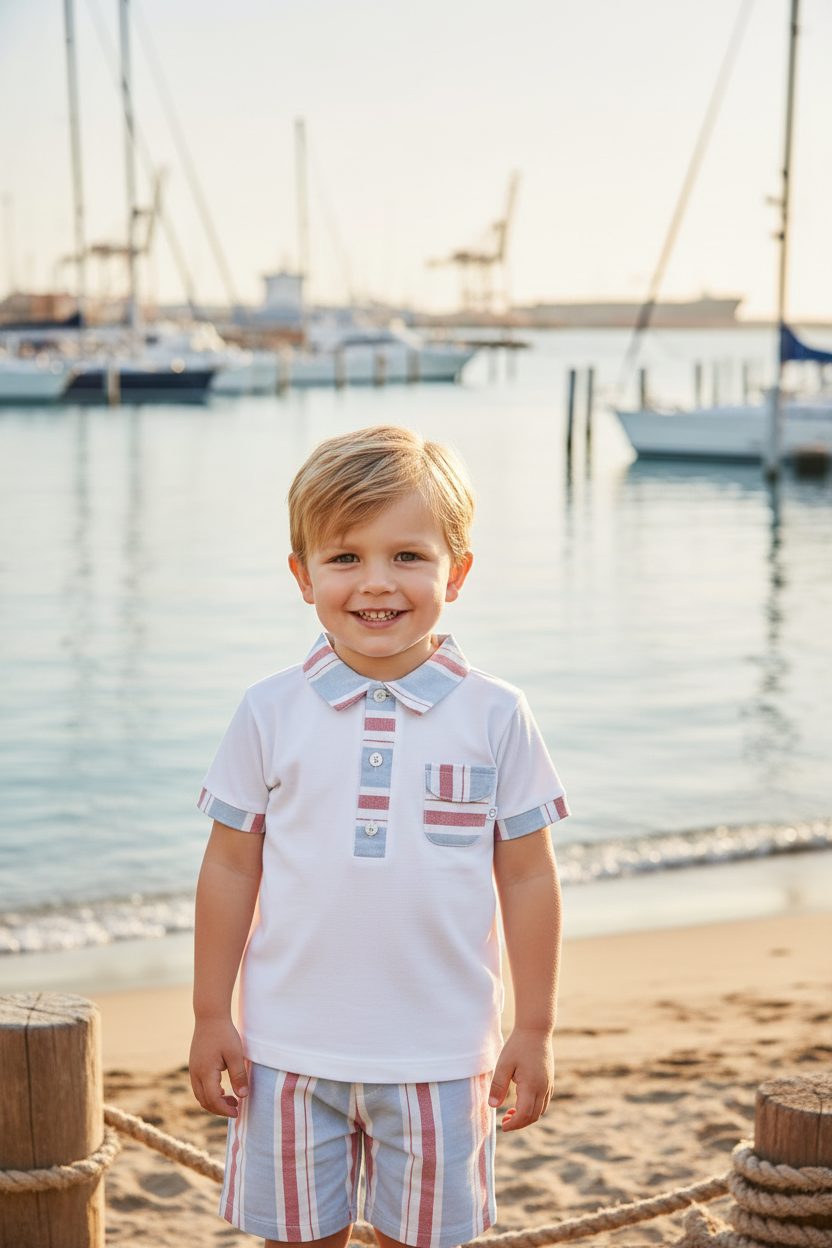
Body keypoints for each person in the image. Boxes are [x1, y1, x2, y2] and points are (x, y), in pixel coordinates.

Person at [190, 425, 569, 1248]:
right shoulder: (268, 710)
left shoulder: (497, 714)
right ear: (302, 576)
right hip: (285, 1052)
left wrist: (533, 1027)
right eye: (345, 557)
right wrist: (207, 1013)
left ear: (456, 572)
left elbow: (530, 878)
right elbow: (228, 868)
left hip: (443, 1056)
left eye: (407, 556)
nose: (375, 584)